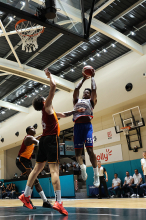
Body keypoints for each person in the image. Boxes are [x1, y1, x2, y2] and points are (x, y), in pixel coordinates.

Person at [19, 68, 85, 216]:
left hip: (43, 140)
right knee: (54, 170)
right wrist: (49, 76)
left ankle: (26, 195)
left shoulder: (48, 111)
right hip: (50, 140)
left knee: (36, 169)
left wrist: (75, 111)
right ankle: (59, 202)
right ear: (43, 101)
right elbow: (53, 86)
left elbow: (61, 114)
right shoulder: (46, 105)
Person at [72, 70, 100, 188]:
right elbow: (76, 90)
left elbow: (94, 90)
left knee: (90, 151)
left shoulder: (91, 102)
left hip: (87, 126)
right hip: (77, 127)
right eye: (85, 92)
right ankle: (83, 167)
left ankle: (96, 174)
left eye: (88, 92)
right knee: (78, 154)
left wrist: (92, 77)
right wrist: (83, 79)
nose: (86, 93)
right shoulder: (77, 101)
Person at [16, 125, 52, 208]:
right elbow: (38, 142)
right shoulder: (28, 138)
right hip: (21, 160)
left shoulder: (32, 138)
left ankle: (42, 201)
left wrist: (44, 135)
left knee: (34, 181)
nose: (35, 129)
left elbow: (38, 138)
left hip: (27, 161)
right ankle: (41, 201)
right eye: (33, 128)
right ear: (28, 131)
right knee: (34, 179)